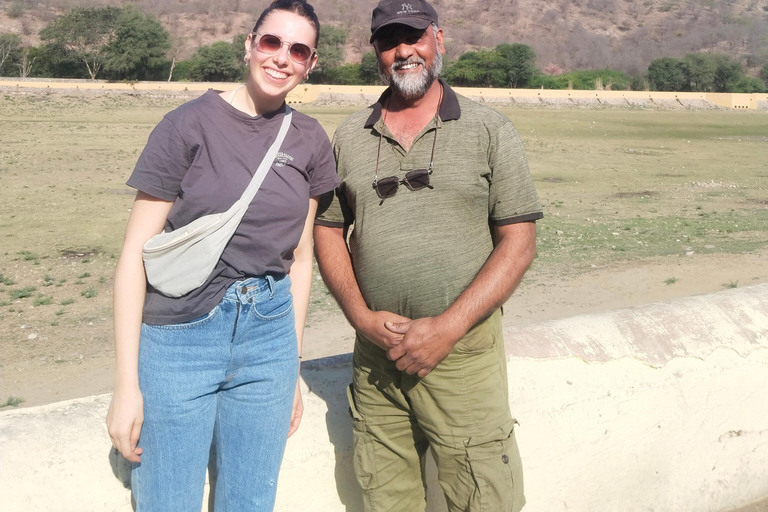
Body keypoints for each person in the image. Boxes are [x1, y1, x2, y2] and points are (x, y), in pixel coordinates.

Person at [105, 1, 339, 510]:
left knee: (250, 502)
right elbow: (132, 259)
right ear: (250, 45)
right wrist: (127, 387)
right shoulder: (186, 126)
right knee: (167, 501)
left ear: (311, 63)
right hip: (179, 341)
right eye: (272, 42)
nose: (282, 58)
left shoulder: (311, 140)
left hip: (269, 339)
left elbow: (299, 261)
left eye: (298, 50)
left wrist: (289, 369)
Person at [314, 0, 543, 511]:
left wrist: (448, 327)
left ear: (439, 39)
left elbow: (519, 242)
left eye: (414, 36)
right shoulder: (351, 134)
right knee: (385, 497)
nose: (404, 51)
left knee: (484, 496)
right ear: (376, 51)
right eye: (390, 41)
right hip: (377, 362)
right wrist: (361, 318)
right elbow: (328, 231)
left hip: (461, 355)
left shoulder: (489, 128)